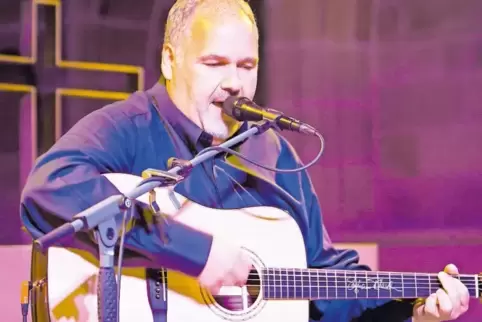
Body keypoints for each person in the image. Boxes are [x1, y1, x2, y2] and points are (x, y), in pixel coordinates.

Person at [19, 0, 470, 321]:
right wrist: (197, 253)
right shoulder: (130, 125)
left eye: (247, 65)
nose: (235, 82)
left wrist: (414, 312)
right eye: (214, 63)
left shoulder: (271, 150)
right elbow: (48, 189)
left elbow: (327, 285)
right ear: (170, 61)